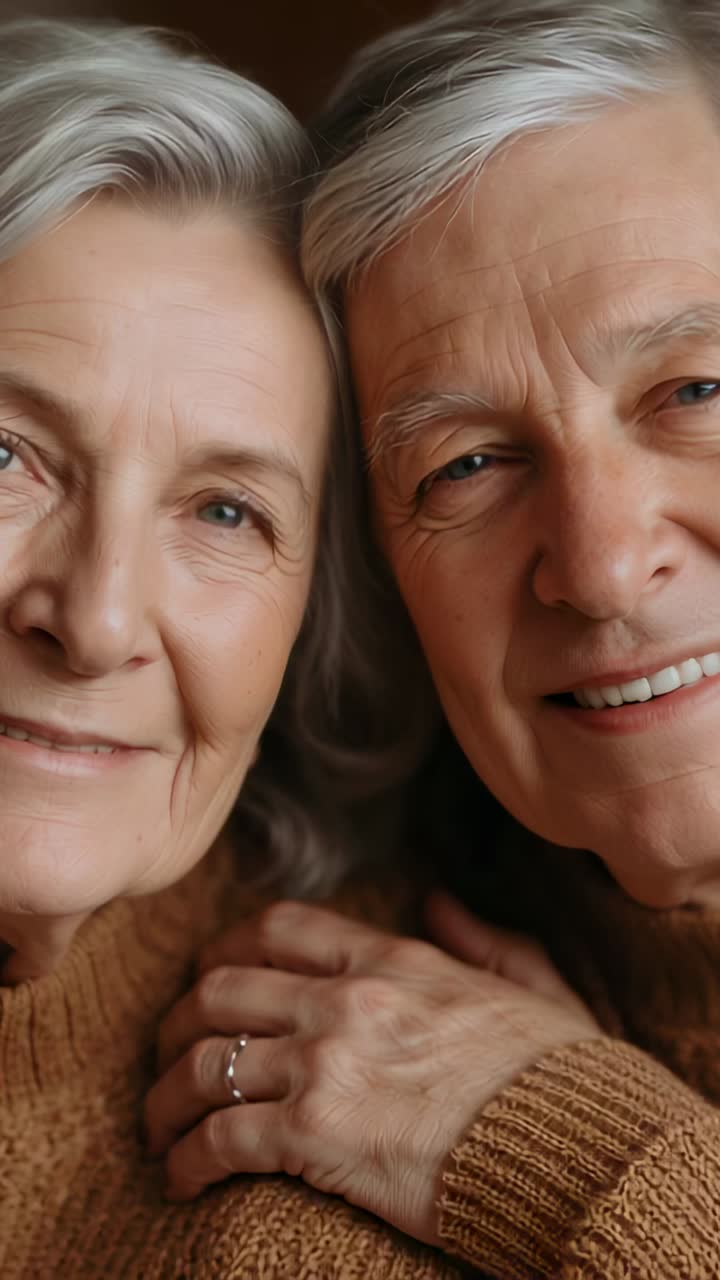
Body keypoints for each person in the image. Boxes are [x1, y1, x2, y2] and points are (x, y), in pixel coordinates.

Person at [148, 2, 720, 1277]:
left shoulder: (477, 1113)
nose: (600, 565)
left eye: (697, 390)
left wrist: (579, 1155)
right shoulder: (328, 1041)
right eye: (465, 465)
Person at [0, 17, 452, 1279]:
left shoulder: (369, 1139)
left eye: (225, 511)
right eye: (5, 455)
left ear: (314, 623)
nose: (94, 619)